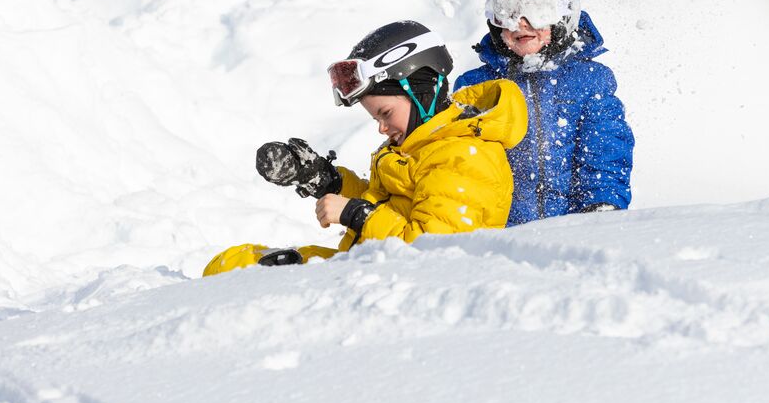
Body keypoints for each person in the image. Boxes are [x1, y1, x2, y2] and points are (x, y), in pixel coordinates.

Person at [203, 20, 528, 276]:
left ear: (422, 92)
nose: (381, 128)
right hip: (371, 270)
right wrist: (323, 179)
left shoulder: (462, 156)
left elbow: (434, 253)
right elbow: (387, 202)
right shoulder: (423, 146)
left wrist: (355, 214)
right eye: (376, 117)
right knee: (232, 264)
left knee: (245, 276)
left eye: (385, 113)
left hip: (404, 288)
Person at [455, 0, 634, 225]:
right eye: (507, 10)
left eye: (536, 9)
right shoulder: (479, 87)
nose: (521, 22)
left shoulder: (588, 80)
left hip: (572, 229)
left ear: (562, 15)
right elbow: (461, 162)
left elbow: (605, 152)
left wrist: (600, 208)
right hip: (501, 233)